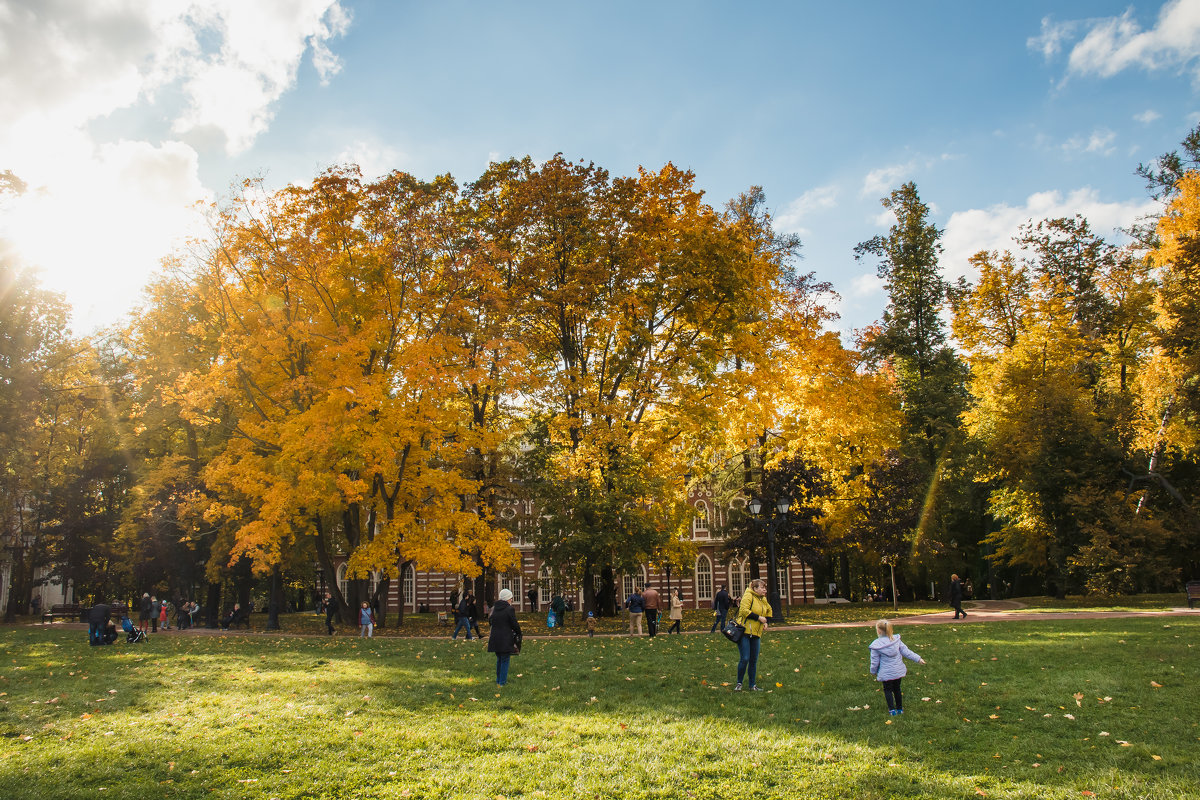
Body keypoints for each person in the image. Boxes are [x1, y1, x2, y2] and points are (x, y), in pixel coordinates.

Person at [868, 619, 926, 715]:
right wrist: (918, 659)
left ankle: (892, 710)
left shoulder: (876, 645)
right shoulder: (896, 641)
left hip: (886, 673)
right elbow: (907, 652)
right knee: (897, 689)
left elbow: (875, 661)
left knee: (887, 690)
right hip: (897, 671)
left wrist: (873, 671)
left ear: (878, 631)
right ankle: (899, 708)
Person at [735, 578, 772, 691]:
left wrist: (766, 622)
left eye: (764, 587)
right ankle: (739, 683)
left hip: (756, 633)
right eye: (762, 587)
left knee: (753, 660)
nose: (764, 589)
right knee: (745, 658)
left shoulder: (763, 599)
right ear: (755, 588)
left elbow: (768, 610)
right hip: (745, 632)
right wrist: (758, 618)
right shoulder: (748, 595)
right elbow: (743, 610)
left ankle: (752, 685)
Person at [487, 588, 522, 686]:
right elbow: (514, 623)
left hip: (495, 637)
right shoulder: (509, 609)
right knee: (505, 659)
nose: (511, 600)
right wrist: (518, 632)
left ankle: (499, 680)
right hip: (505, 637)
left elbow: (490, 621)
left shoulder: (494, 609)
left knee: (499, 659)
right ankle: (502, 682)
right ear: (507, 599)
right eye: (511, 598)